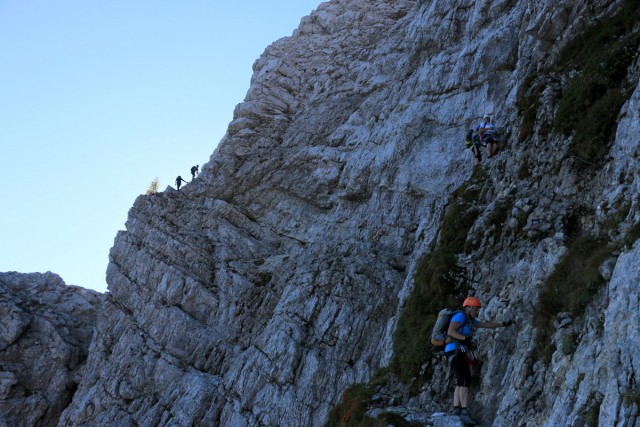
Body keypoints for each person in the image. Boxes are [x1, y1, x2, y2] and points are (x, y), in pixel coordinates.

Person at [445, 296, 514, 426]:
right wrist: (466, 339)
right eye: (476, 309)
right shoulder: (460, 317)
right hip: (454, 350)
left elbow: (486, 325)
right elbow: (451, 331)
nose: (477, 311)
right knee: (465, 379)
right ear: (469, 308)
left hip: (457, 351)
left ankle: (457, 410)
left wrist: (504, 324)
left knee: (461, 380)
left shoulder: (470, 320)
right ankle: (464, 412)